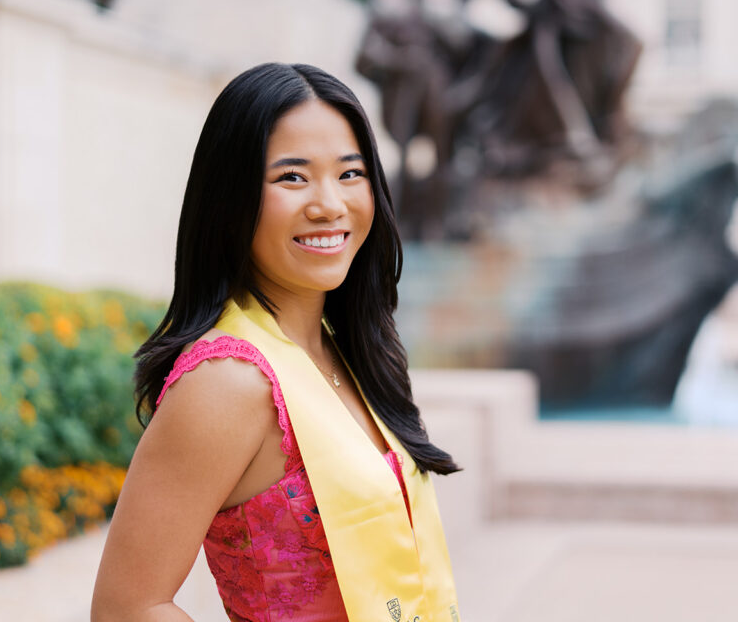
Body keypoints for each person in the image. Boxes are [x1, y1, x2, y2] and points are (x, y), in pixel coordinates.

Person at [91, 63, 461, 622]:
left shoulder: (348, 354)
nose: (329, 204)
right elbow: (128, 608)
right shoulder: (227, 382)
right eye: (292, 177)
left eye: (350, 174)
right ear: (231, 200)